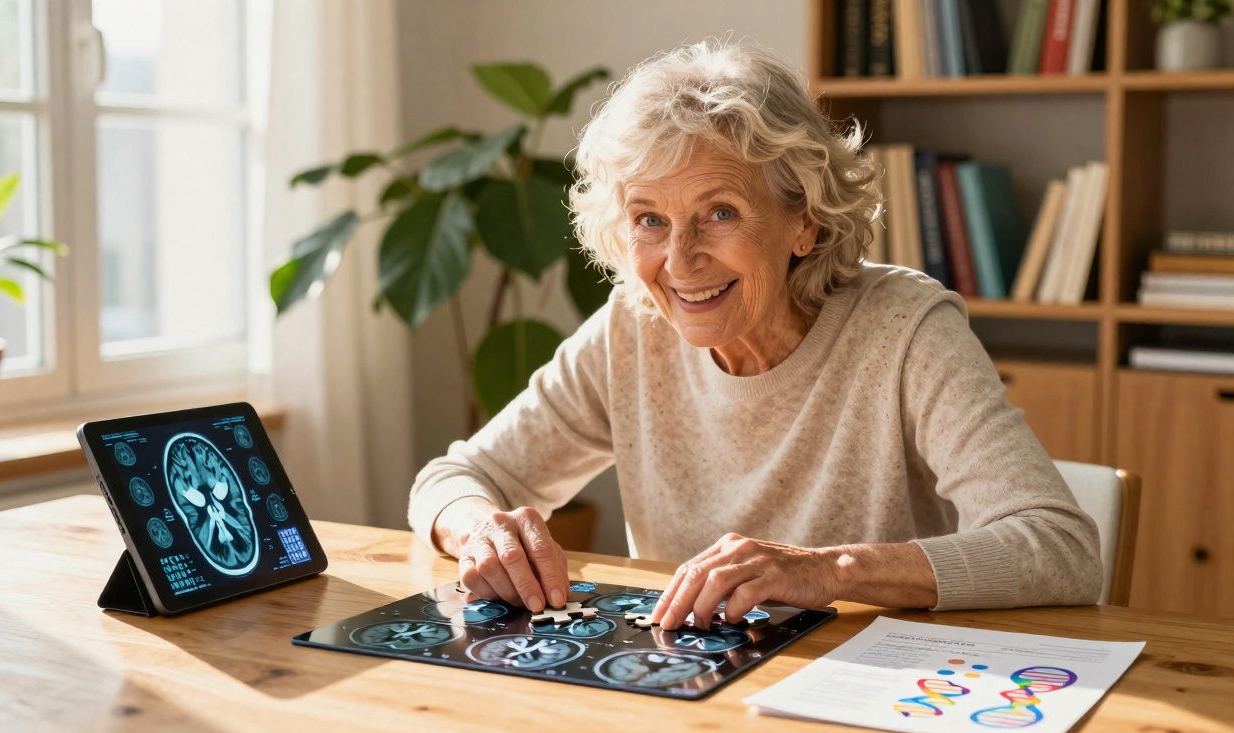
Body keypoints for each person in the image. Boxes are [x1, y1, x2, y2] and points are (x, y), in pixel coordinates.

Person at [407, 38, 1102, 629]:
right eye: (650, 219)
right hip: (688, 688)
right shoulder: (633, 325)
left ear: (806, 221)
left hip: (877, 691)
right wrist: (481, 530)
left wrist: (829, 569)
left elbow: (1061, 547)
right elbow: (456, 477)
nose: (680, 262)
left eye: (719, 213)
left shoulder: (906, 329)